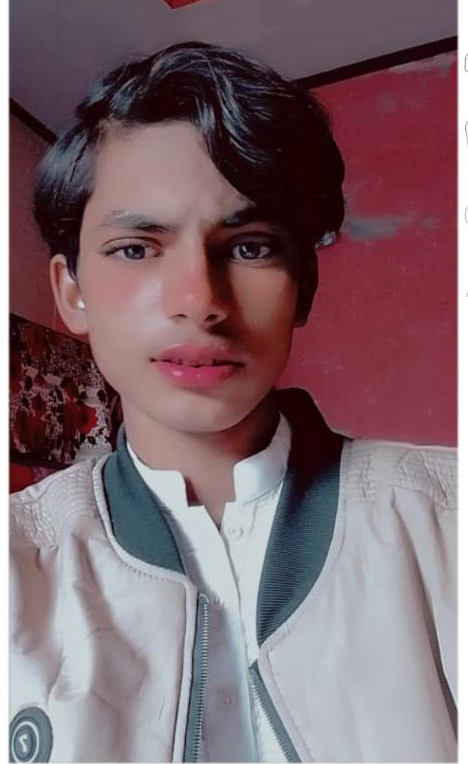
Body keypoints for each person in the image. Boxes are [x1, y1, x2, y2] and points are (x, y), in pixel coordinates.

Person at [10, 42, 456, 763]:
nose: (199, 301)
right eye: (136, 248)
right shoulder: (17, 562)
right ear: (71, 292)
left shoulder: (446, 519)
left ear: (304, 287)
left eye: (249, 247)